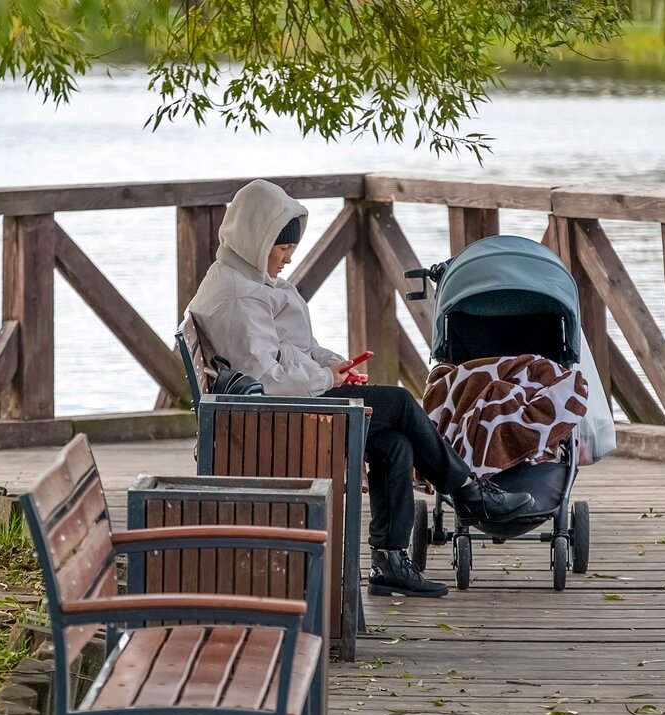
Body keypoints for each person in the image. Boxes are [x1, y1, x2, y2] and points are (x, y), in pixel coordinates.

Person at [187, 179, 535, 599]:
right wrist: (326, 380)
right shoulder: (239, 299)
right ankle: (467, 492)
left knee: (393, 443)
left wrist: (332, 364)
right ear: (255, 239)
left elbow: (290, 350)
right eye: (281, 248)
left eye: (291, 248)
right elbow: (270, 381)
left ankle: (391, 561)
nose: (288, 257)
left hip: (280, 408)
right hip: (276, 421)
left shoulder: (243, 277)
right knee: (401, 403)